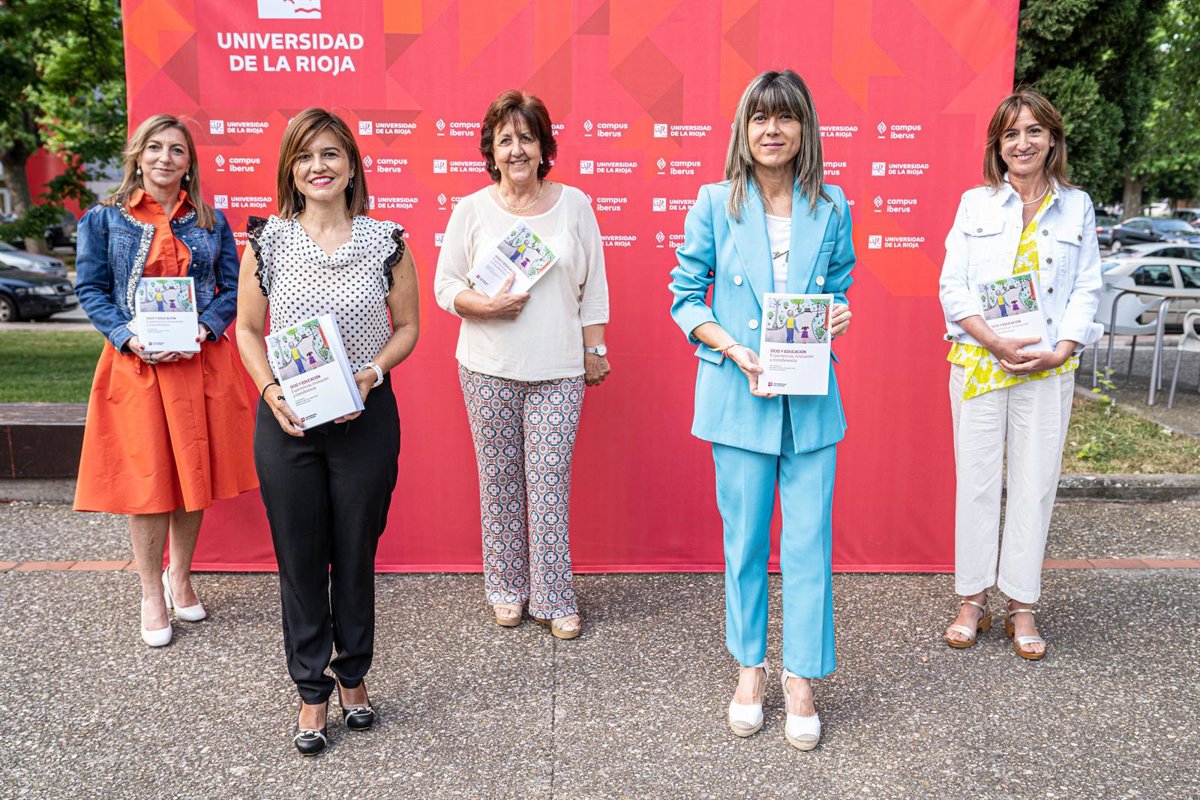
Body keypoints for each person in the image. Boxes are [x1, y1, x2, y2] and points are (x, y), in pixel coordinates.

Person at [669, 70, 854, 751]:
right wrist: (731, 348)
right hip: (739, 398)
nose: (772, 130)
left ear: (805, 128)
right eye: (759, 118)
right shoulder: (715, 203)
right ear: (743, 129)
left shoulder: (832, 205)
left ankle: (801, 677)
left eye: (785, 117)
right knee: (744, 542)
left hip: (809, 400)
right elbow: (686, 296)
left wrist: (839, 312)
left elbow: (840, 284)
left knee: (809, 544)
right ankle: (750, 669)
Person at [236, 108, 420, 755]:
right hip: (289, 423)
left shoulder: (387, 240)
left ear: (351, 166)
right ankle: (311, 689)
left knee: (356, 552)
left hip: (364, 419)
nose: (318, 166)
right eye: (305, 155)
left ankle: (354, 675)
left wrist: (371, 374)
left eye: (331, 154)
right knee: (300, 558)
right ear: (291, 168)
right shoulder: (268, 242)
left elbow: (408, 327)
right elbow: (247, 330)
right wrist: (271, 391)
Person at [74, 114, 258, 649]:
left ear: (189, 163)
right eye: (154, 147)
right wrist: (127, 335)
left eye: (177, 150)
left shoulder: (210, 221)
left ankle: (181, 577)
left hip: (199, 364)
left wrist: (206, 326)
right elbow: (91, 289)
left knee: (193, 474)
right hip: (137, 367)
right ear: (137, 155)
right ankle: (151, 591)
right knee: (150, 481)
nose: (164, 158)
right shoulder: (104, 219)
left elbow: (231, 291)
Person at [434, 90, 610, 640]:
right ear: (491, 150)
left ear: (544, 148)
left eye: (527, 138)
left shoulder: (574, 205)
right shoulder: (471, 210)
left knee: (549, 482)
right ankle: (506, 589)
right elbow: (445, 286)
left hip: (559, 370)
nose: (516, 150)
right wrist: (481, 305)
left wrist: (595, 350)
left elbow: (594, 287)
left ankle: (555, 596)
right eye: (505, 139)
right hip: (487, 366)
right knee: (499, 482)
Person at [938, 90, 1102, 660]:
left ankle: (1022, 604)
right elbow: (953, 285)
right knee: (977, 484)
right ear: (998, 145)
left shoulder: (1077, 206)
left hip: (1047, 368)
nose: (1023, 143)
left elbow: (1087, 286)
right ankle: (972, 599)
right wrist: (990, 339)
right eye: (1011, 134)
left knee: (1034, 486)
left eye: (1034, 131)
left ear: (1052, 139)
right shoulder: (975, 204)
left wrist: (1063, 350)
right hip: (980, 363)